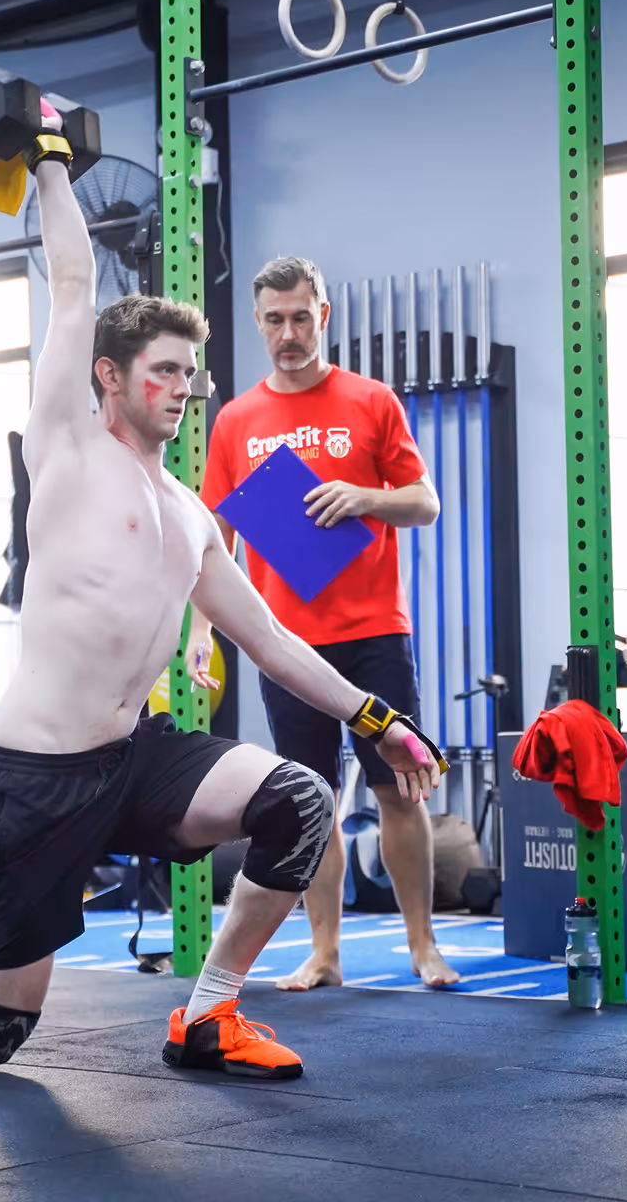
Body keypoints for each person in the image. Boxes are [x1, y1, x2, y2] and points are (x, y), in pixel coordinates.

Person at [0, 111, 443, 1081]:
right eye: (163, 372)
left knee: (299, 798)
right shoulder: (67, 458)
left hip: (134, 758)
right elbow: (72, 285)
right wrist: (52, 161)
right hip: (38, 779)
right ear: (110, 378)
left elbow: (273, 638)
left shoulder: (190, 513)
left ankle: (207, 1015)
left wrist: (379, 714)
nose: (183, 390)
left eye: (191, 375)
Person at [190, 255, 460, 991]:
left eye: (301, 317)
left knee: (398, 789)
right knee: (312, 799)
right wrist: (199, 628)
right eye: (275, 320)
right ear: (258, 323)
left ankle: (423, 946)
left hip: (374, 630)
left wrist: (364, 497)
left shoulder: (371, 401)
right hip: (286, 643)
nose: (289, 333)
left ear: (324, 316)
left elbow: (426, 502)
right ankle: (324, 953)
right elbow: (213, 539)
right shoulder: (237, 421)